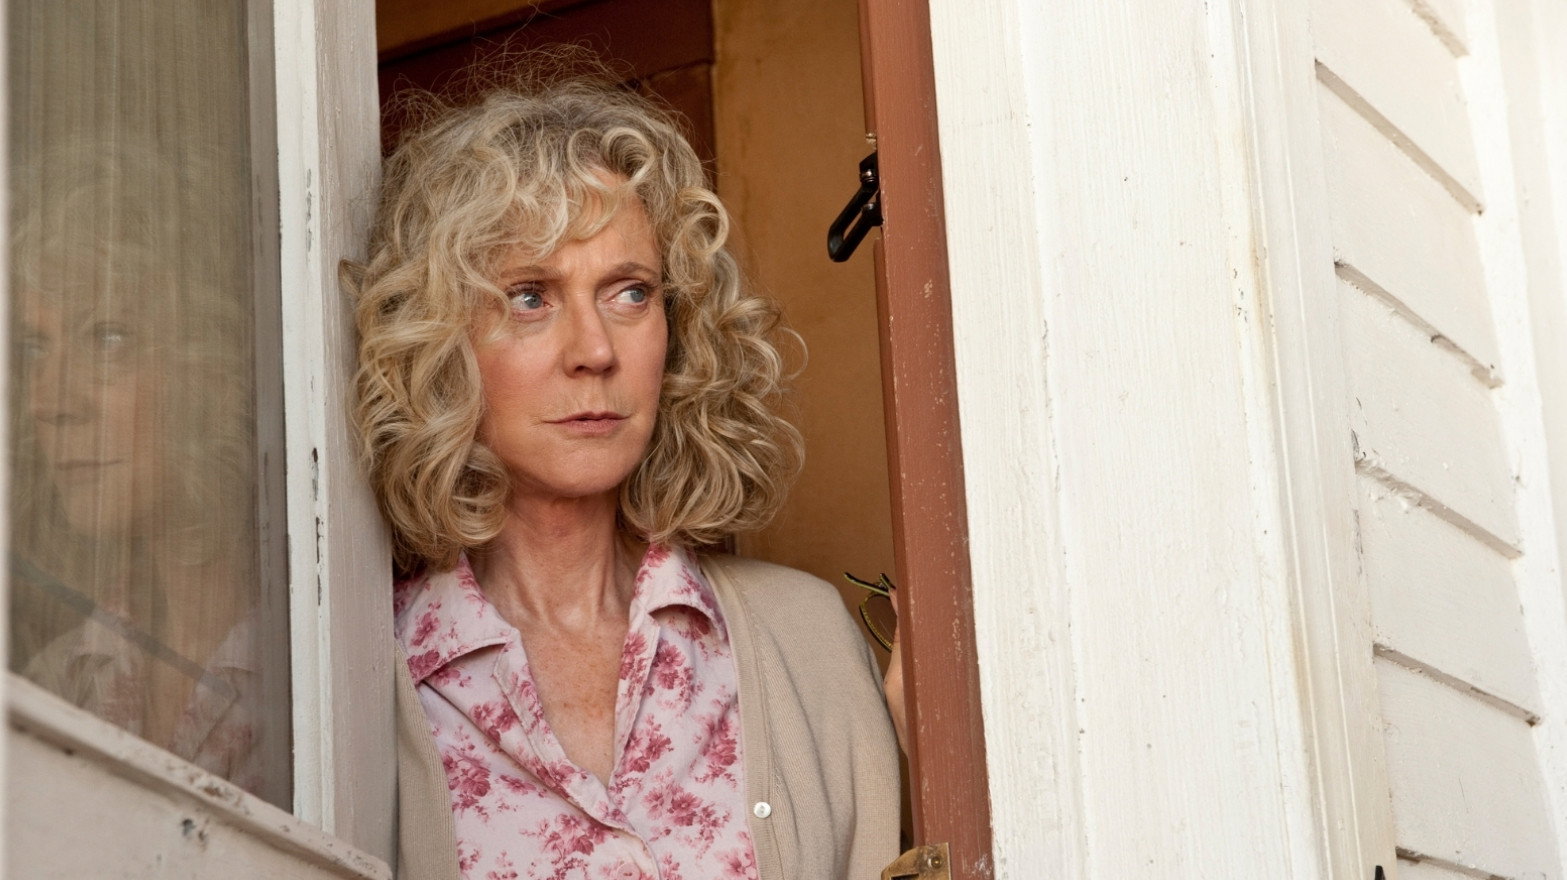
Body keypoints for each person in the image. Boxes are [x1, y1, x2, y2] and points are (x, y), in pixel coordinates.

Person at [346, 69, 902, 880]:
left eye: (630, 292)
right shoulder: (354, 677)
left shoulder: (804, 636)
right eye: (529, 296)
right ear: (435, 338)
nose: (595, 349)